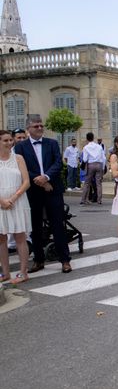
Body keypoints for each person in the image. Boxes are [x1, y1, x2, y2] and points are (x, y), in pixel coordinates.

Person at [14, 114, 72, 274]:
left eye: (41, 125)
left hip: (53, 189)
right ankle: (38, 260)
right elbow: (21, 168)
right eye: (36, 126)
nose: (40, 128)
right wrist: (38, 180)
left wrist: (46, 177)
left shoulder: (52, 143)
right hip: (33, 191)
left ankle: (65, 260)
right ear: (28, 129)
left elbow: (58, 163)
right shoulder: (20, 147)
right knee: (35, 226)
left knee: (58, 225)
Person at [0, 130, 31, 284]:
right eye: (5, 140)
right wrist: (2, 201)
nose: (9, 143)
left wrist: (12, 198)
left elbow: (26, 181)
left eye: (10, 140)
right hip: (0, 203)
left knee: (20, 236)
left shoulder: (18, 158)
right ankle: (5, 273)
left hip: (18, 201)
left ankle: (23, 272)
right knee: (1, 238)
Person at [80, 132, 106, 205]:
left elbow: (85, 159)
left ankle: (84, 199)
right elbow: (103, 158)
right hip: (99, 164)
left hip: (91, 165)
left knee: (87, 183)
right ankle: (99, 200)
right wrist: (103, 168)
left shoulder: (86, 147)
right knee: (99, 183)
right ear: (93, 137)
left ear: (87, 138)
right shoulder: (99, 146)